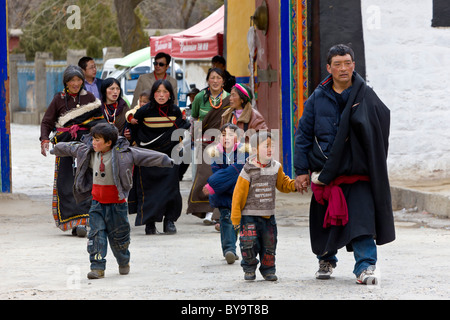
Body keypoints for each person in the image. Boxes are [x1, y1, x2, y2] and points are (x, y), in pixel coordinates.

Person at [293, 44, 395, 285]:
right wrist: (300, 171)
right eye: (337, 64)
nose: (343, 68)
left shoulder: (365, 96)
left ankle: (366, 266)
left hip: (357, 172)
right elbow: (304, 136)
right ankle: (326, 259)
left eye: (347, 63)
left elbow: (380, 124)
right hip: (326, 174)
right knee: (326, 222)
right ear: (329, 68)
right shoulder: (317, 98)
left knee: (362, 222)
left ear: (354, 65)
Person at [51, 123, 174, 279]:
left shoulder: (125, 154)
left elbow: (146, 156)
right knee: (96, 235)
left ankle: (123, 261)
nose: (93, 143)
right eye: (93, 139)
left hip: (117, 205)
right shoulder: (87, 151)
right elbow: (71, 147)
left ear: (108, 142)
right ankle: (97, 267)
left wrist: (166, 160)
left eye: (97, 140)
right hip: (96, 204)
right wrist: (56, 148)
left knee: (120, 239)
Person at [40, 65, 105, 236]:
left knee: (86, 180)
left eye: (78, 80)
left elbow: (99, 121)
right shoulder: (58, 99)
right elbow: (47, 122)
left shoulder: (90, 98)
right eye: (71, 80)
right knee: (66, 182)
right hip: (64, 146)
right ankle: (72, 220)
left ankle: (84, 220)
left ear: (82, 81)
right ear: (66, 82)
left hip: (86, 146)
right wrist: (45, 139)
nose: (75, 83)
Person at [231, 131, 296, 281]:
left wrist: (295, 185)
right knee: (249, 244)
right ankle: (249, 268)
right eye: (266, 146)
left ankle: (268, 270)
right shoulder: (248, 170)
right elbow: (238, 195)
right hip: (249, 216)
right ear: (254, 150)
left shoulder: (276, 167)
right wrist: (236, 218)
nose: (270, 149)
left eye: (272, 146)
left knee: (270, 245)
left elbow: (283, 184)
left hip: (268, 216)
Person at [128, 79, 189, 235]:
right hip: (148, 158)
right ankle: (150, 223)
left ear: (170, 94)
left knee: (171, 190)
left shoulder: (175, 111)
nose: (161, 95)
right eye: (158, 92)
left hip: (170, 157)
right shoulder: (144, 111)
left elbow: (182, 129)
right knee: (149, 191)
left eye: (165, 92)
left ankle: (169, 221)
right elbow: (133, 128)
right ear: (153, 94)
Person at [186, 68, 231, 224]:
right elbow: (194, 119)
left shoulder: (229, 98)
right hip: (204, 143)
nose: (215, 81)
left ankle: (217, 214)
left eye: (218, 78)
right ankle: (205, 211)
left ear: (223, 81)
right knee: (205, 176)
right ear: (208, 80)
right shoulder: (200, 97)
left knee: (221, 176)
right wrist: (196, 139)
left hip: (224, 144)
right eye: (212, 78)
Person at [203, 123, 249, 264]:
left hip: (238, 192)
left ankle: (232, 248)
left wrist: (213, 183)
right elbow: (218, 174)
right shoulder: (216, 153)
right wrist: (218, 182)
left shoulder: (244, 153)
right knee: (226, 219)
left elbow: (237, 172)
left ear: (239, 137)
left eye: (230, 134)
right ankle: (229, 250)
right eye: (223, 135)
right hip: (223, 195)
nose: (226, 138)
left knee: (235, 222)